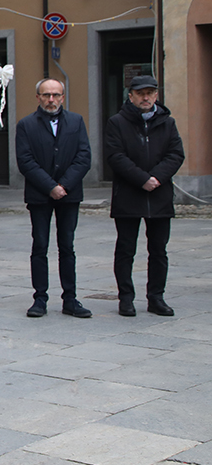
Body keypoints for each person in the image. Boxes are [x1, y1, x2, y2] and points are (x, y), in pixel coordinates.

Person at [104, 75, 186, 317]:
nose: (146, 97)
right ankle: (126, 298)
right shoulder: (117, 122)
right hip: (128, 194)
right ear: (131, 96)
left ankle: (156, 297)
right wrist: (142, 179)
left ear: (156, 95)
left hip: (159, 195)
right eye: (140, 93)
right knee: (126, 249)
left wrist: (156, 178)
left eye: (150, 92)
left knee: (159, 250)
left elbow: (176, 154)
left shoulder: (167, 123)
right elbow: (116, 156)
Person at [15, 78, 93, 318]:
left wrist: (64, 185)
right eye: (46, 95)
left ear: (63, 96)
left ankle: (70, 298)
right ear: (38, 97)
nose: (51, 100)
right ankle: (40, 298)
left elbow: (84, 157)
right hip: (40, 195)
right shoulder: (26, 124)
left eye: (56, 95)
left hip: (69, 195)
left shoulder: (76, 121)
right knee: (40, 245)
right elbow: (25, 161)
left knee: (67, 246)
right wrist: (50, 186)